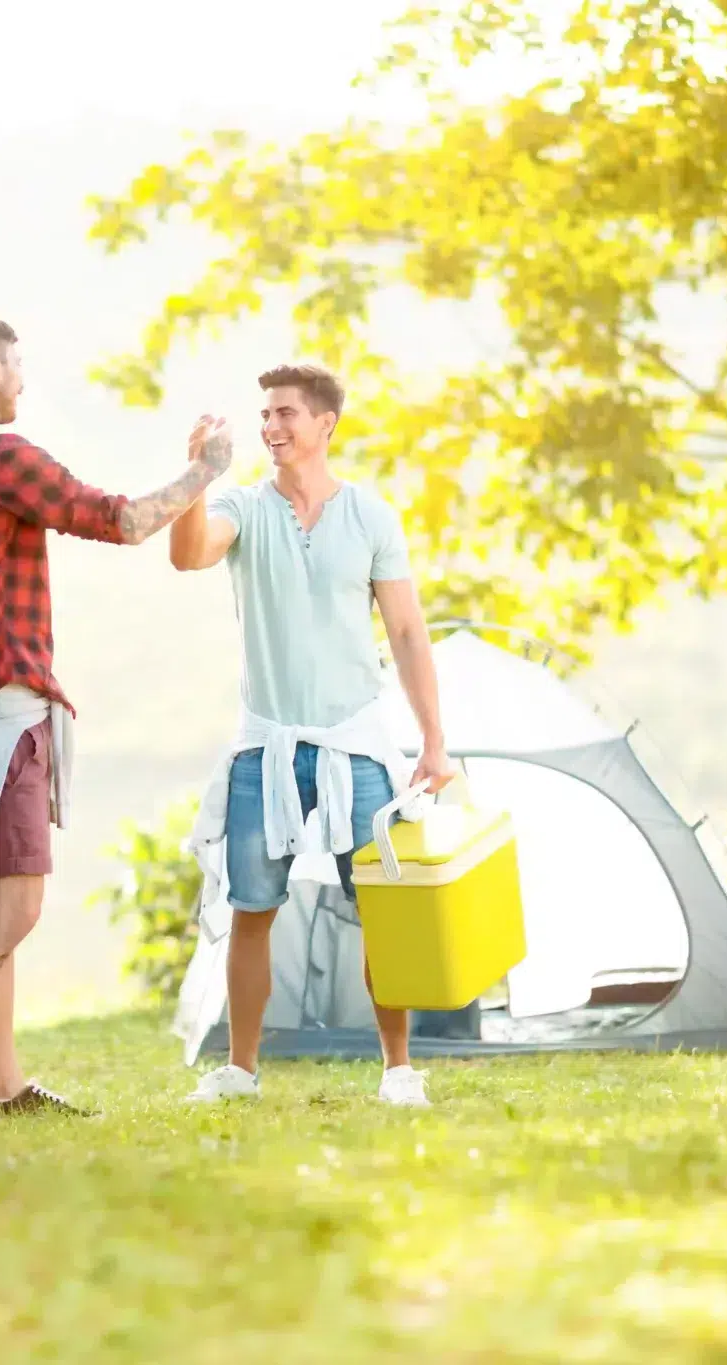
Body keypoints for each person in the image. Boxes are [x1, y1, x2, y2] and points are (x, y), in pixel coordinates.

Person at [0, 310, 236, 1127]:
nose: (24, 381)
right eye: (20, 367)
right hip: (6, 705)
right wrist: (202, 472)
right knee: (15, 911)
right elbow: (117, 518)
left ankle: (1, 1085)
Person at [170, 362, 454, 1108]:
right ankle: (239, 1069)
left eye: (286, 414)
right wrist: (197, 476)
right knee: (252, 909)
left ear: (325, 423)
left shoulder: (370, 517)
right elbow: (188, 553)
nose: (272, 427)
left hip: (357, 744)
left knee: (383, 913)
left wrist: (434, 741)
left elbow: (406, 632)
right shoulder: (243, 507)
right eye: (265, 415)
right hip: (265, 745)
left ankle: (398, 1070)